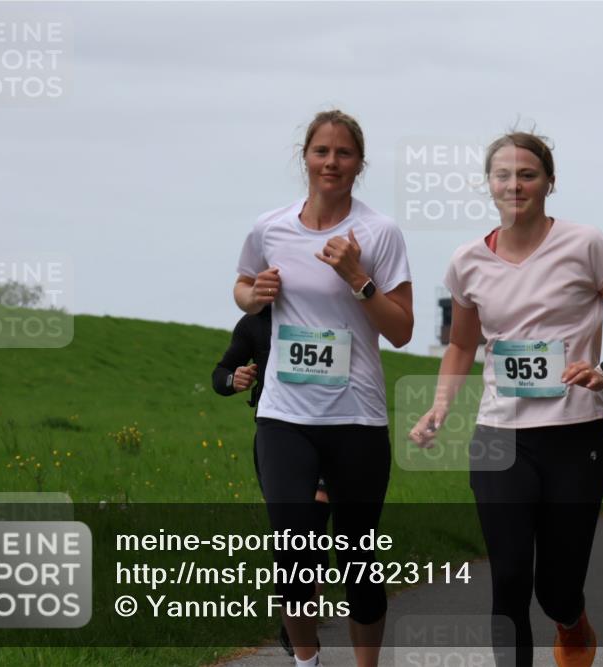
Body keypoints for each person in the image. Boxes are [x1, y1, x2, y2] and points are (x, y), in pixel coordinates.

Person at [409, 131, 603, 667]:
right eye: (503, 175)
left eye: (527, 174)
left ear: (549, 181)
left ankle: (572, 620)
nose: (514, 185)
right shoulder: (467, 261)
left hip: (575, 437)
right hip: (500, 437)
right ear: (488, 184)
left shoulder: (586, 244)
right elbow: (461, 344)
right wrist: (441, 406)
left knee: (556, 590)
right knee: (510, 580)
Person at [234, 110, 414, 667]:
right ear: (304, 157)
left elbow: (403, 329)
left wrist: (358, 278)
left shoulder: (379, 233)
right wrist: (254, 295)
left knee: (358, 562)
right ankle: (306, 661)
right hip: (285, 413)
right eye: (321, 151)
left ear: (360, 163)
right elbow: (241, 288)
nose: (331, 162)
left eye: (343, 153)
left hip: (356, 417)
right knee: (292, 552)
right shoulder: (271, 227)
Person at [211, 307, 329, 657]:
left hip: (330, 434)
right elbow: (220, 373)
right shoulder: (255, 324)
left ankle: (297, 628)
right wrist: (235, 380)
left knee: (315, 530)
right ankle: (296, 624)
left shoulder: (326, 313)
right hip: (277, 439)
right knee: (293, 534)